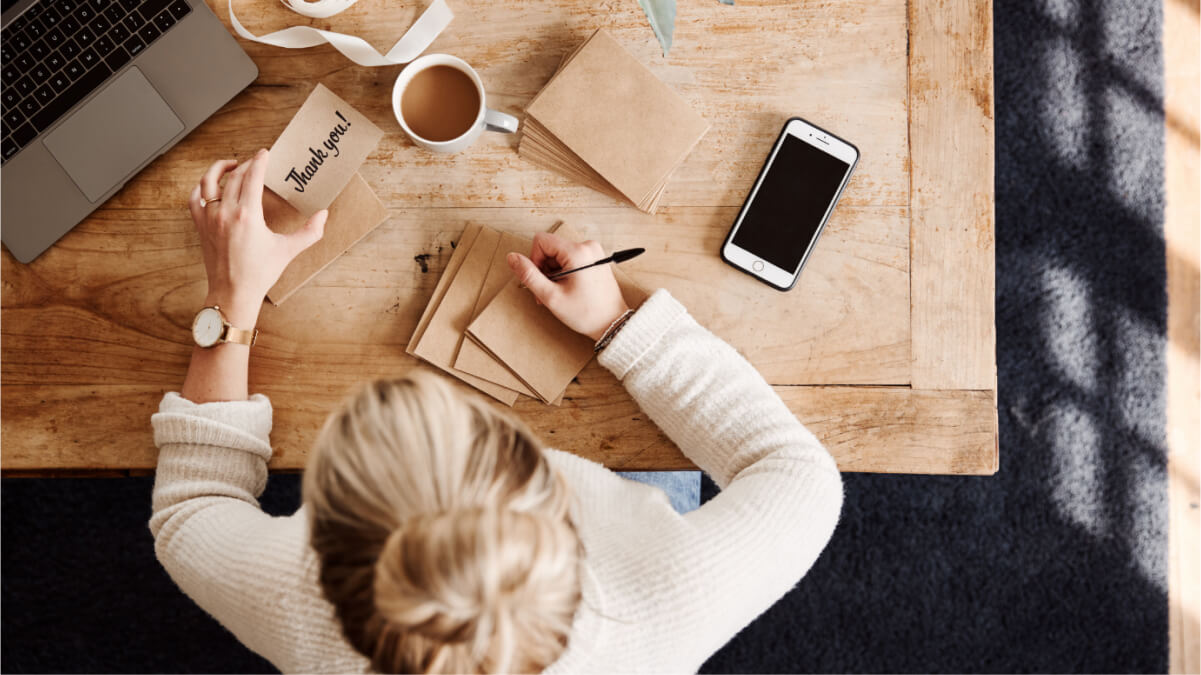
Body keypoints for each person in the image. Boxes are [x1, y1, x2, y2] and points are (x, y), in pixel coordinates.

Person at [151, 151, 843, 673]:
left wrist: (230, 303)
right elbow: (800, 475)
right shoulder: (664, 600)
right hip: (639, 549)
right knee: (661, 481)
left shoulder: (299, 604)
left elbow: (192, 512)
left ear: (320, 556)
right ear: (550, 493)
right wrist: (620, 329)